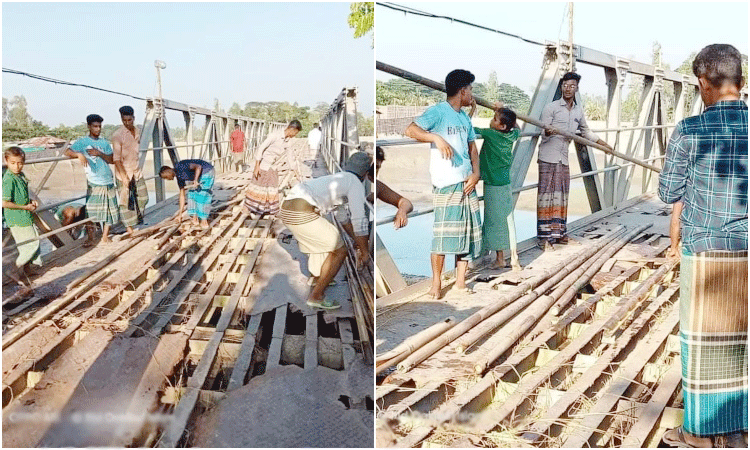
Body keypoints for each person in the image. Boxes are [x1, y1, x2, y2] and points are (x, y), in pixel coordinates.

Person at [658, 44, 747, 448]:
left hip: (705, 250)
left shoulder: (690, 130)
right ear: (741, 83)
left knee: (703, 343)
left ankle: (700, 432)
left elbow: (668, 191)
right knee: (742, 341)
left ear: (701, 85)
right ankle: (740, 428)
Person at [405, 69, 482, 299]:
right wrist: (435, 138)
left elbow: (472, 147)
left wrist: (476, 173)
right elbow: (410, 129)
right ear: (462, 91)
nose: (472, 95)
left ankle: (460, 282)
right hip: (446, 182)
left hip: (467, 181)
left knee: (468, 233)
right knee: (442, 235)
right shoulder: (439, 112)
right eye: (471, 90)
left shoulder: (463, 117)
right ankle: (436, 284)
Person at [278, 151, 372, 310]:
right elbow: (359, 220)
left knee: (325, 238)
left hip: (287, 210)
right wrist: (364, 251)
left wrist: (357, 242)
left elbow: (343, 218)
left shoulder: (339, 179)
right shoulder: (355, 183)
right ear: (366, 173)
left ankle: (317, 278)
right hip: (302, 213)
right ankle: (316, 296)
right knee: (340, 250)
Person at [537, 72, 613, 251]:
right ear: (561, 87)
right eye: (564, 85)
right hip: (548, 156)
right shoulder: (551, 107)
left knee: (562, 195)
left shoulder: (578, 111)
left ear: (577, 88)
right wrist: (549, 131)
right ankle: (544, 238)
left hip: (563, 158)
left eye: (571, 86)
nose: (567, 89)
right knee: (545, 197)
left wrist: (603, 144)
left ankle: (560, 233)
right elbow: (543, 131)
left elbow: (585, 131)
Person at [470, 101, 522, 271]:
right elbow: (518, 128)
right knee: (507, 220)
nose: (492, 121)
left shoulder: (491, 134)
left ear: (501, 126)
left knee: (494, 221)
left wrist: (472, 110)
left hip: (493, 184)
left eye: (494, 119)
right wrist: (502, 111)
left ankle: (501, 259)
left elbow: (469, 129)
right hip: (505, 183)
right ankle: (513, 256)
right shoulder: (511, 135)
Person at [64, 114, 119, 244]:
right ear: (89, 126)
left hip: (108, 180)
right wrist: (78, 154)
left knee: (110, 211)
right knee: (91, 211)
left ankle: (105, 236)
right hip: (94, 181)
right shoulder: (82, 142)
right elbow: (67, 152)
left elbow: (112, 160)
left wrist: (100, 153)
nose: (98, 129)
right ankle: (91, 238)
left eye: (99, 126)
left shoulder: (104, 143)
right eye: (95, 126)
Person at [2, 147, 42, 292]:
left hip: (24, 215)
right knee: (30, 244)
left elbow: (24, 193)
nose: (16, 166)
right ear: (6, 161)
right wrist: (25, 207)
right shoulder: (8, 179)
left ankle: (27, 269)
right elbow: (4, 202)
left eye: (19, 163)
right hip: (17, 217)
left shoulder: (20, 175)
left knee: (31, 239)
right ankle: (13, 271)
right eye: (13, 163)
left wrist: (31, 200)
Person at [245, 120, 302, 217]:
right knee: (258, 187)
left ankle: (270, 209)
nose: (295, 135)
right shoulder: (274, 136)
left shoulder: (287, 141)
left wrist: (295, 171)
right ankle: (249, 208)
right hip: (264, 165)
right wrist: (256, 166)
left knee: (272, 187)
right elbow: (261, 148)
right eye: (295, 133)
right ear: (292, 129)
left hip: (273, 166)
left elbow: (290, 156)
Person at [111, 105, 147, 235]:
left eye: (129, 120)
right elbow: (116, 159)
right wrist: (124, 177)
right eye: (124, 120)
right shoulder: (117, 135)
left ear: (133, 118)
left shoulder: (138, 131)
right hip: (123, 173)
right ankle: (129, 229)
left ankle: (135, 220)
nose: (127, 123)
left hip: (136, 171)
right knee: (125, 203)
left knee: (144, 198)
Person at [159, 159, 215, 229]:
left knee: (202, 196)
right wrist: (180, 215)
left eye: (166, 177)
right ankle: (195, 217)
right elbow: (182, 196)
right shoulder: (179, 179)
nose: (167, 179)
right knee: (191, 195)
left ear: (168, 170)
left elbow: (198, 167)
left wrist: (195, 180)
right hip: (199, 175)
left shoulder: (180, 166)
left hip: (206, 171)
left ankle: (204, 220)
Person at [370, 146, 413, 230]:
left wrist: (401, 212)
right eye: (373, 167)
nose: (375, 172)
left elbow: (406, 202)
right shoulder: (353, 181)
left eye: (378, 167)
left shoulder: (377, 186)